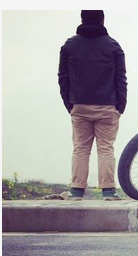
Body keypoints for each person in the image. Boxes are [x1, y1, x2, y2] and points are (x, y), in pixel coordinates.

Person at [58, 10, 127, 201]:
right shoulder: (113, 46)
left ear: (82, 19)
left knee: (80, 148)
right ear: (102, 20)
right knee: (106, 149)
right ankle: (108, 192)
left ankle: (76, 192)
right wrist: (120, 105)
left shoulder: (69, 45)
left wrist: (70, 104)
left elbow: (63, 78)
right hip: (107, 106)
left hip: (79, 105)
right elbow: (121, 78)